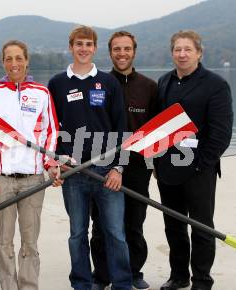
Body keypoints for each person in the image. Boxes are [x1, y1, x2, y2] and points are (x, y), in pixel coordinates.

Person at [47, 25, 131, 290]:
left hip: (107, 171)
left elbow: (122, 128)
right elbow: (51, 129)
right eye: (78, 44)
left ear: (95, 48)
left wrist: (119, 167)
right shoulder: (57, 83)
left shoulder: (108, 82)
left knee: (115, 234)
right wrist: (55, 162)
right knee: (77, 235)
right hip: (73, 173)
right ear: (71, 47)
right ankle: (81, 284)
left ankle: (122, 284)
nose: (83, 49)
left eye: (88, 44)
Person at [154, 30, 233, 290]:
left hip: (200, 170)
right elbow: (159, 128)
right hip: (168, 169)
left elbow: (221, 133)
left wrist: (201, 164)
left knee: (201, 228)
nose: (182, 54)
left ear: (199, 53)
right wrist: (156, 162)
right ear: (172, 53)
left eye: (188, 49)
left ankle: (201, 279)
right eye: (177, 49)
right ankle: (179, 276)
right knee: (174, 227)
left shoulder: (216, 84)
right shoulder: (164, 82)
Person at [0, 40, 58, 290]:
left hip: (33, 179)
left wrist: (50, 163)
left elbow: (51, 133)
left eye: (18, 58)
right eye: (9, 58)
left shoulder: (41, 92)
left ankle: (28, 286)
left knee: (30, 241)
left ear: (27, 60)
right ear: (2, 62)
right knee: (3, 241)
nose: (14, 63)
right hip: (1, 179)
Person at [89, 31, 159, 290]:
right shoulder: (100, 83)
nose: (122, 53)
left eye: (127, 49)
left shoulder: (149, 86)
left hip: (138, 166)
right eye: (117, 49)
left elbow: (157, 131)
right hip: (103, 163)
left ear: (134, 52)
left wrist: (155, 165)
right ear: (110, 53)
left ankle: (133, 272)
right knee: (101, 223)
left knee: (134, 222)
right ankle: (102, 275)